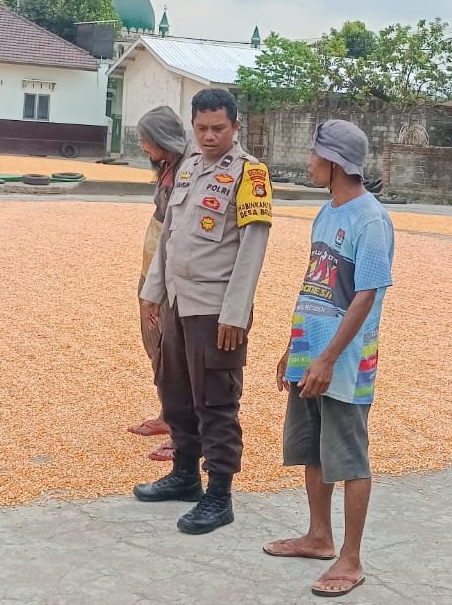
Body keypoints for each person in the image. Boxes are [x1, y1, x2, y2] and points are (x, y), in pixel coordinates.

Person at [134, 88, 273, 535]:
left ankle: (219, 495)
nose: (210, 136)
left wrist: (236, 312)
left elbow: (252, 249)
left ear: (235, 126)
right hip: (176, 301)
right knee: (175, 392)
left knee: (215, 400)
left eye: (218, 128)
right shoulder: (189, 168)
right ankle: (185, 475)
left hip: (215, 309)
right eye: (202, 129)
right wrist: (152, 292)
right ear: (192, 127)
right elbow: (169, 235)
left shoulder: (251, 175)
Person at [265, 119, 393, 598]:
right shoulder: (327, 213)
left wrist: (327, 358)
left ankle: (351, 557)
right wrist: (294, 348)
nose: (308, 162)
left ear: (335, 162)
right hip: (310, 354)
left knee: (349, 456)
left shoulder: (370, 219)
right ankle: (319, 537)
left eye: (314, 154)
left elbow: (365, 295)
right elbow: (314, 285)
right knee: (311, 449)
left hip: (344, 361)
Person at [127, 106, 189, 461]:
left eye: (145, 140)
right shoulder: (166, 167)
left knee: (173, 348)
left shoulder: (188, 170)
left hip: (170, 266)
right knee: (154, 341)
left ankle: (184, 429)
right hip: (152, 259)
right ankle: (168, 414)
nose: (142, 146)